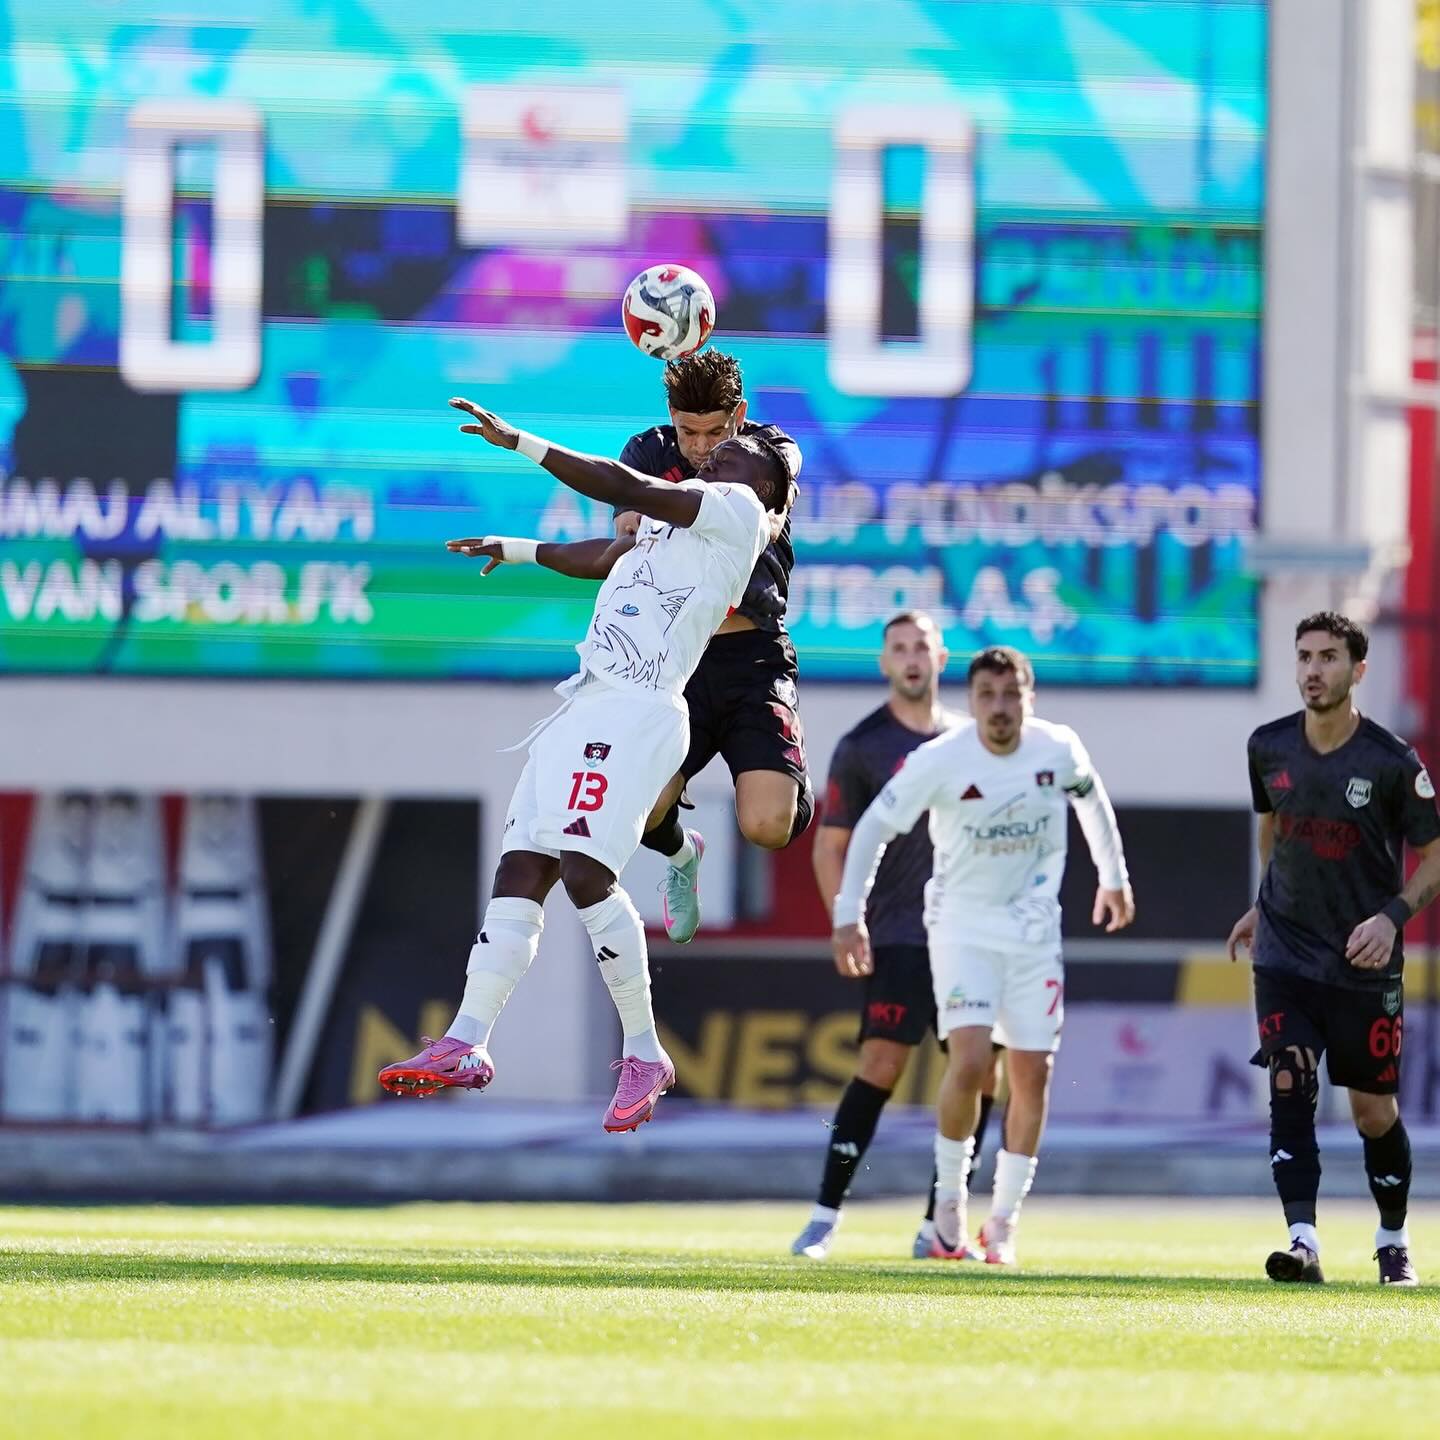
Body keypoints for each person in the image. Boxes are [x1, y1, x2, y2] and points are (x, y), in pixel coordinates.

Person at [378, 397, 787, 1131]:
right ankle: (468, 1040)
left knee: (583, 871)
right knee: (521, 867)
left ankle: (644, 1051)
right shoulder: (685, 512)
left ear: (765, 489)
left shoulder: (735, 510)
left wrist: (521, 442)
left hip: (640, 708)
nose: (720, 455)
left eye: (737, 454)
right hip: (586, 701)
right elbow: (607, 556)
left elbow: (628, 488)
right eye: (719, 452)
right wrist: (519, 550)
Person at [464, 350, 810, 946]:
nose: (702, 449)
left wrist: (522, 442)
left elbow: (773, 492)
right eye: (688, 432)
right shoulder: (650, 453)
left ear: (740, 417)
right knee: (644, 815)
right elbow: (621, 543)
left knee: (766, 824)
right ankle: (684, 853)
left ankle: (785, 773)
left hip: (752, 657)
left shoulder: (755, 461)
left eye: (716, 433)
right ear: (670, 419)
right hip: (675, 667)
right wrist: (524, 548)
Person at [831, 646, 1134, 1265]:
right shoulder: (940, 760)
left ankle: (1002, 1224)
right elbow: (870, 830)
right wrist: (847, 914)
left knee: (1034, 1074)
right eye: (987, 696)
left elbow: (1092, 803)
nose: (1000, 707)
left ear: (1030, 696)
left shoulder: (1058, 749)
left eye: (1011, 694)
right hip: (961, 928)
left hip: (1034, 934)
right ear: (971, 703)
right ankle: (948, 1212)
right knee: (970, 1062)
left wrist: (1114, 877)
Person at [1227, 612, 1440, 1286]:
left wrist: (1391, 917)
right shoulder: (1267, 746)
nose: (1313, 670)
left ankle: (1392, 1239)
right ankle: (1303, 1242)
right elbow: (1273, 829)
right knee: (1289, 1077)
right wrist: (1262, 906)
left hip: (1363, 961)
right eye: (1304, 657)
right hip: (1285, 952)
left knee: (1373, 1111)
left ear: (1358, 670)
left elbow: (1433, 858)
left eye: (1327, 658)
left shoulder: (1392, 762)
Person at [791, 611, 1004, 1262]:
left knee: (980, 1072)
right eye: (899, 648)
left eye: (922, 647)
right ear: (884, 663)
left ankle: (943, 1223)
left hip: (967, 937)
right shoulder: (862, 747)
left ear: (942, 660)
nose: (911, 658)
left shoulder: (972, 743)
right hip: (900, 935)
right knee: (880, 1065)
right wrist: (844, 919)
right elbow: (831, 846)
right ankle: (825, 1217)